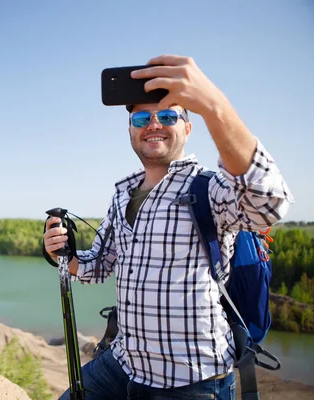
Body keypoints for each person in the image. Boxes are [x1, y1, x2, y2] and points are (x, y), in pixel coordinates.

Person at [43, 54, 294, 400]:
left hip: (191, 379)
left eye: (168, 115)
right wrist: (61, 252)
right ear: (131, 129)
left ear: (188, 128)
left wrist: (213, 105)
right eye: (142, 117)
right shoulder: (123, 195)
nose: (154, 124)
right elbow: (94, 267)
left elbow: (268, 203)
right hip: (125, 362)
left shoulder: (207, 188)